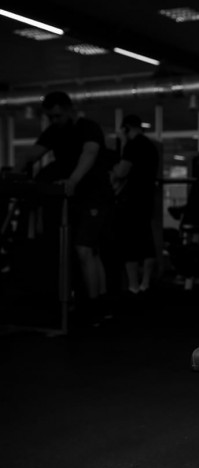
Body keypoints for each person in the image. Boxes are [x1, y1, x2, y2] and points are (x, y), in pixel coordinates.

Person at [20, 91, 113, 327]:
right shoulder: (54, 131)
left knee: (84, 250)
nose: (54, 120)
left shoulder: (88, 127)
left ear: (70, 110)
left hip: (95, 195)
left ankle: (95, 307)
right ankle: (99, 304)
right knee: (87, 252)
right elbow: (34, 153)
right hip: (73, 198)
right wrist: (16, 170)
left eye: (58, 116)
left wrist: (72, 180)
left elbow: (89, 153)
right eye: (50, 117)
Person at [109, 114, 159, 296]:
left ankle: (133, 285)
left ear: (126, 128)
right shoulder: (151, 146)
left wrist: (114, 166)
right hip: (147, 198)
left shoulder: (132, 145)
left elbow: (121, 172)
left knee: (130, 242)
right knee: (146, 241)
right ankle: (145, 282)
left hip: (131, 200)